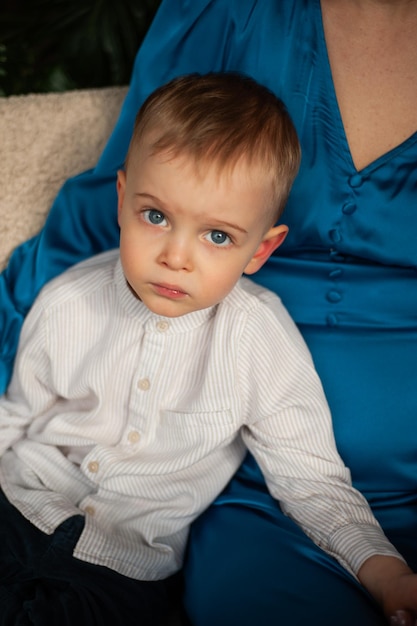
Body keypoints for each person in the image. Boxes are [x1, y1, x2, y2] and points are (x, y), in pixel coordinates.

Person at [1, 1, 416, 625]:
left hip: (123, 565)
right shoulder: (70, 301)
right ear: (122, 201)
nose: (175, 257)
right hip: (18, 505)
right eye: (156, 216)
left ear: (263, 249)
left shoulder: (258, 339)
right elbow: (16, 418)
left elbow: (310, 478)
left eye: (217, 236)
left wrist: (380, 566)